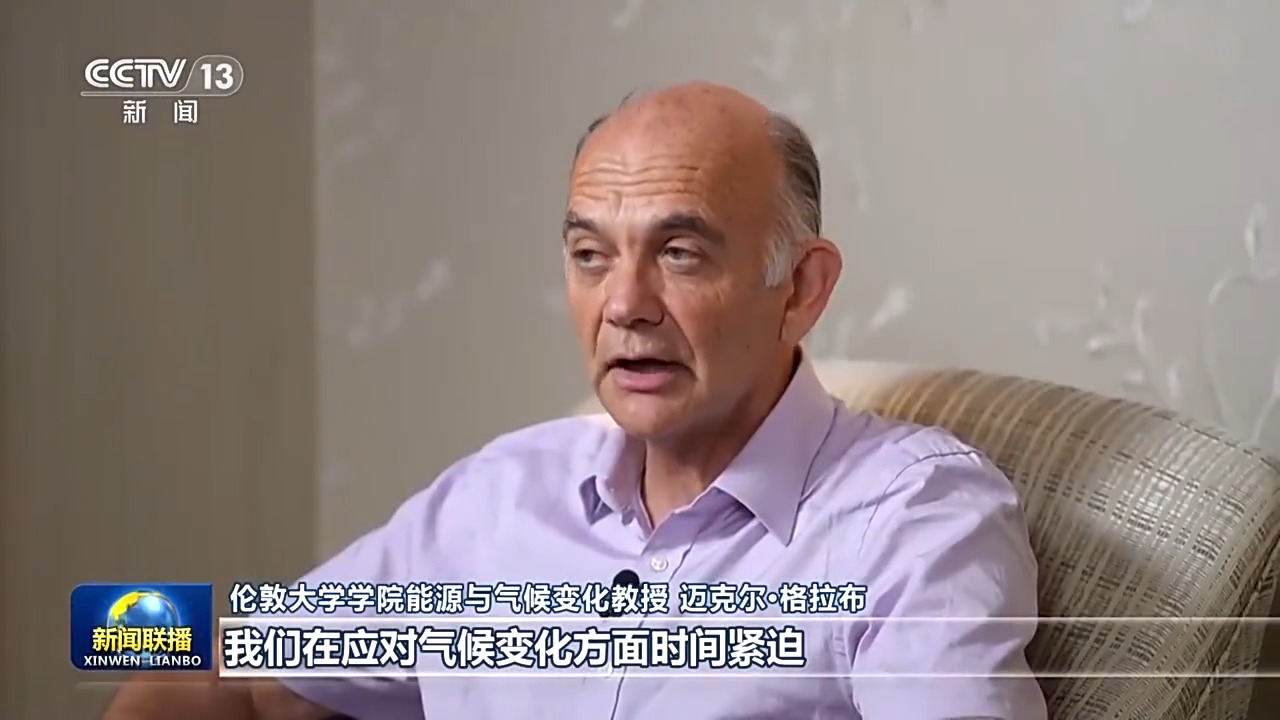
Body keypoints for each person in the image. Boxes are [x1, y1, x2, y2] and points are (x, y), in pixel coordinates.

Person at [104, 81, 1047, 719]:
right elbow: (249, 673)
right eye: (590, 256)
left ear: (799, 288)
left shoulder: (912, 518)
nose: (624, 305)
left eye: (680, 253)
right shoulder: (499, 497)